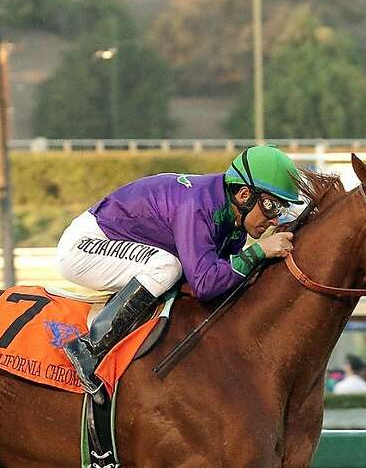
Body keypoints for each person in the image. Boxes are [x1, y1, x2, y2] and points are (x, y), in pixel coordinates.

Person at [57, 144, 303, 398]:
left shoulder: (232, 219)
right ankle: (90, 347)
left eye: (281, 209)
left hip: (122, 244)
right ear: (243, 195)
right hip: (85, 246)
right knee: (167, 267)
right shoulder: (197, 206)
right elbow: (205, 284)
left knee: (170, 268)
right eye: (271, 207)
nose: (275, 220)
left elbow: (225, 277)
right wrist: (258, 252)